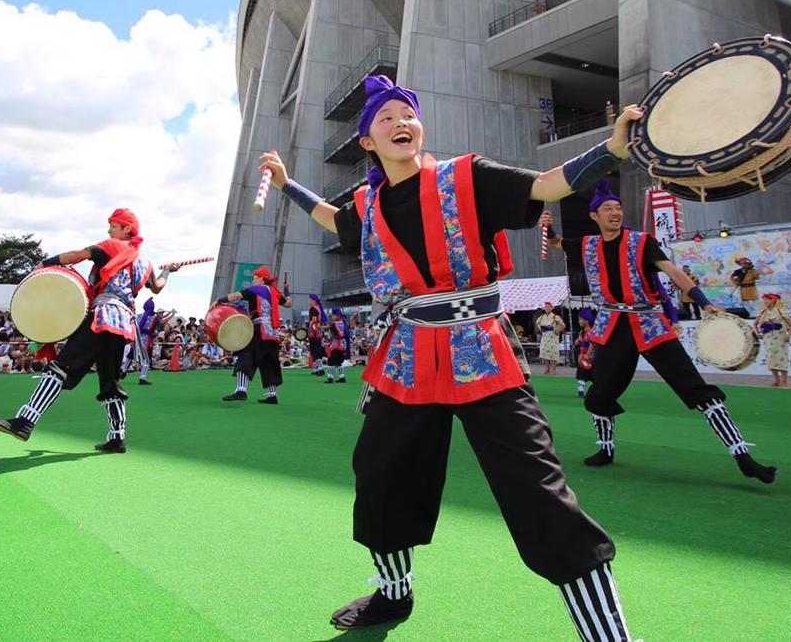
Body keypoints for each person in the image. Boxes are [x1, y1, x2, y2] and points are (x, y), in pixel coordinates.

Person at [260, 74, 635, 637]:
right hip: (406, 358)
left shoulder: (468, 176)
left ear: (421, 127)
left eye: (406, 114)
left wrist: (611, 149)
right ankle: (393, 595)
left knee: (538, 490)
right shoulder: (365, 203)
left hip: (480, 347)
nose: (399, 123)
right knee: (381, 477)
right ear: (367, 141)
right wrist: (289, 185)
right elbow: (328, 219)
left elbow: (549, 185)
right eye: (384, 119)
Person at [544, 183, 777, 484]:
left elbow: (673, 272)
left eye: (618, 208)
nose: (615, 213)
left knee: (695, 388)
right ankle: (605, 449)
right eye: (608, 209)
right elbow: (558, 244)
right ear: (595, 216)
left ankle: (743, 456)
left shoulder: (642, 242)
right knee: (599, 394)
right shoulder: (588, 245)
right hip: (613, 326)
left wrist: (704, 303)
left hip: (648, 323)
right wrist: (547, 229)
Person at [0, 209, 179, 453]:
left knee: (61, 368)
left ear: (127, 229)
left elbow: (77, 255)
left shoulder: (111, 246)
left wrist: (44, 264)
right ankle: (117, 437)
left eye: (114, 225)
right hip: (123, 326)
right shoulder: (145, 263)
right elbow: (158, 287)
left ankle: (25, 421)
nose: (109, 229)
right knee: (110, 383)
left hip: (102, 317)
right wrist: (167, 270)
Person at [216, 267, 291, 404]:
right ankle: (272, 395)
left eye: (255, 277)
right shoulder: (274, 292)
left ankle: (241, 390)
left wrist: (219, 300)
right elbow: (288, 304)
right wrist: (286, 289)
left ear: (262, 278)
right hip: (273, 334)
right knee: (269, 362)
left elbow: (235, 296)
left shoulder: (257, 290)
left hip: (259, 330)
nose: (253, 280)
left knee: (245, 356)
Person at [754, 294, 791, 387]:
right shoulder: (763, 312)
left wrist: (789, 334)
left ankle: (784, 380)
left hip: (780, 337)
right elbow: (755, 324)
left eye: (767, 300)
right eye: (764, 300)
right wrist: (758, 333)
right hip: (768, 337)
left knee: (781, 358)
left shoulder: (780, 312)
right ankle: (776, 380)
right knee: (770, 358)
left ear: (773, 300)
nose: (765, 302)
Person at [132, 298, 160, 385]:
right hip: (146, 339)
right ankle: (142, 378)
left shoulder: (139, 316)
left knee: (131, 355)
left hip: (137, 338)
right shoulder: (153, 318)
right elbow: (151, 329)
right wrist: (154, 333)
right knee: (146, 359)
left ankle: (122, 370)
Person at [535, 302, 565, 375]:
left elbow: (563, 325)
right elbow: (537, 323)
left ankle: (553, 369)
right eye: (546, 307)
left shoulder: (555, 316)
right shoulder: (542, 317)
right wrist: (541, 330)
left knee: (553, 353)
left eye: (548, 307)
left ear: (551, 308)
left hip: (553, 336)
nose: (547, 308)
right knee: (543, 352)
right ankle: (547, 368)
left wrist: (557, 330)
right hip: (545, 336)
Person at [324, 306, 351, 384]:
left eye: (333, 315)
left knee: (331, 361)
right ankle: (342, 377)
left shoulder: (334, 324)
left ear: (338, 316)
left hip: (337, 345)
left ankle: (330, 377)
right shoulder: (343, 322)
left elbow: (327, 327)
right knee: (338, 362)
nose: (332, 316)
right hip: (343, 345)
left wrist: (319, 327)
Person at [574, 308, 597, 398]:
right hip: (582, 356)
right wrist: (578, 341)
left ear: (586, 321)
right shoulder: (582, 332)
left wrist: (587, 355)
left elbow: (591, 344)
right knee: (582, 374)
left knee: (592, 374)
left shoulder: (590, 332)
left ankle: (594, 391)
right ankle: (581, 391)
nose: (579, 321)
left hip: (589, 357)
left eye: (580, 319)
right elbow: (581, 340)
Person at [307, 293, 327, 376]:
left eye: (310, 299)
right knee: (316, 349)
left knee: (315, 350)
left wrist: (310, 323)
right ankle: (316, 368)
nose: (309, 301)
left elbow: (314, 320)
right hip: (318, 331)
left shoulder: (312, 309)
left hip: (314, 331)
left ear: (313, 301)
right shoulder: (318, 308)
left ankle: (320, 368)